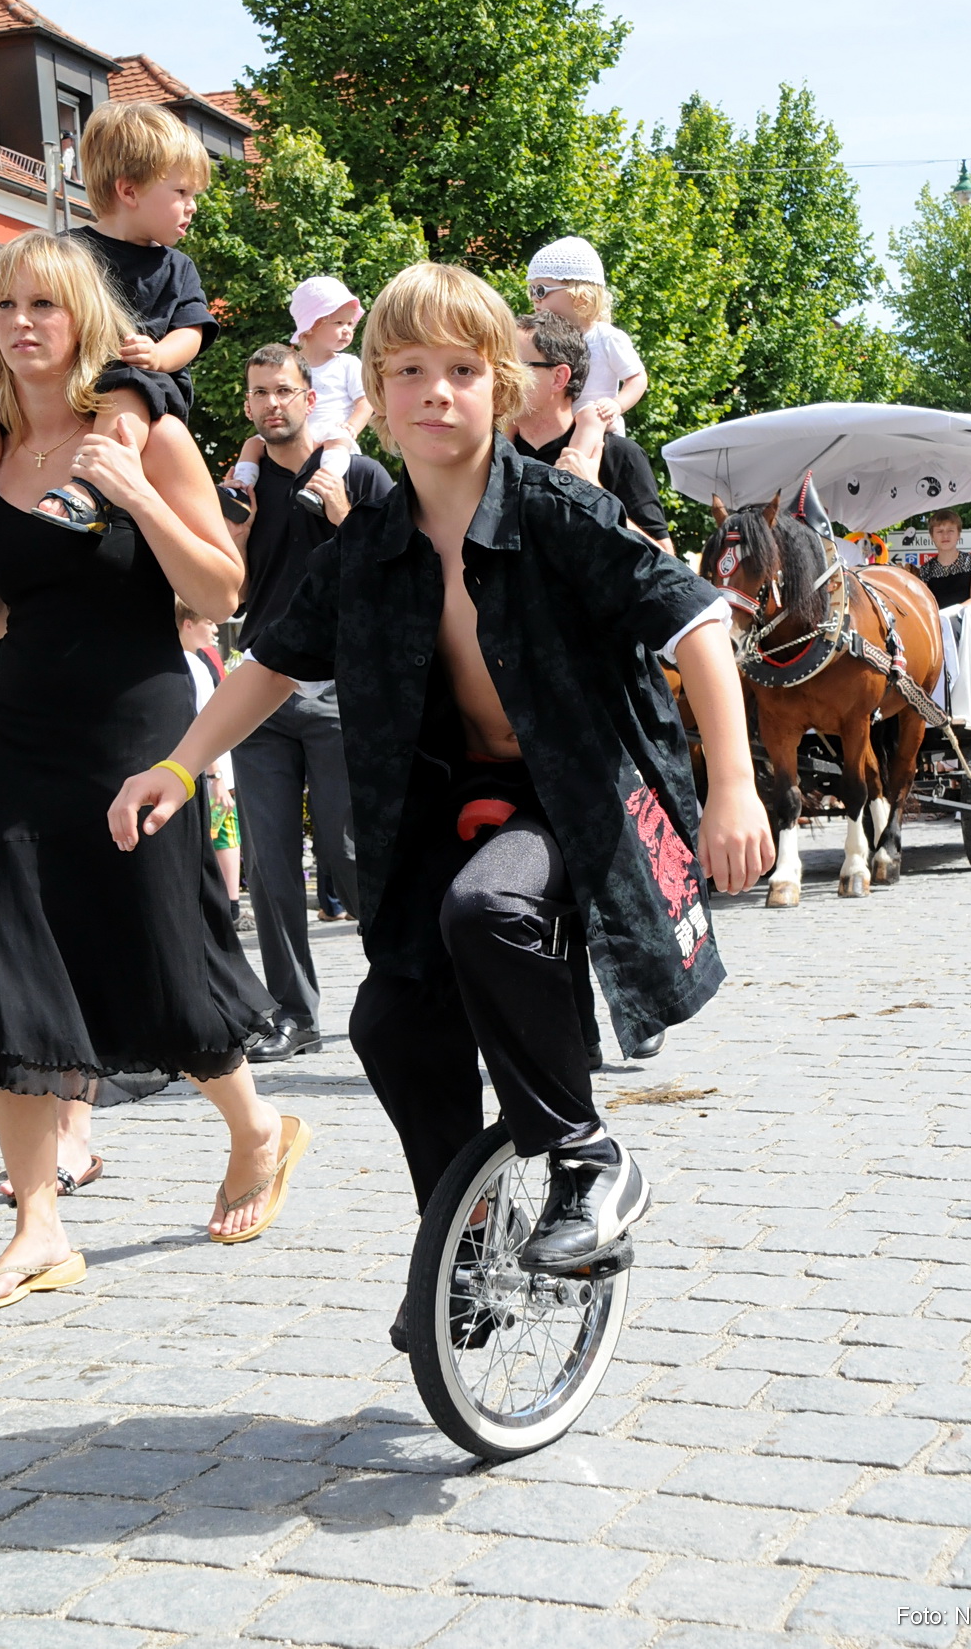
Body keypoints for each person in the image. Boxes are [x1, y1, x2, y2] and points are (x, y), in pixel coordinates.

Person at [109, 261, 774, 1351]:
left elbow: (695, 619)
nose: (437, 392)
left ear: (502, 386)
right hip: (439, 802)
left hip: (572, 795)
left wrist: (735, 785)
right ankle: (455, 1243)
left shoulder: (561, 510)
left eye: (463, 370)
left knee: (490, 910)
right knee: (383, 1021)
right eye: (410, 370)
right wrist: (178, 767)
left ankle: (584, 1157)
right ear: (374, 386)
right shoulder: (365, 544)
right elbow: (268, 663)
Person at [0, 231, 310, 1313]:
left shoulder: (140, 427)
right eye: (5, 305)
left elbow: (222, 592)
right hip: (13, 729)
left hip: (132, 731)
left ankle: (258, 1127)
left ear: (84, 317)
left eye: (45, 302)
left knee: (158, 956)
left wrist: (132, 491)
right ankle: (39, 1222)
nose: (24, 322)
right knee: (11, 971)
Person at [226, 342, 392, 1062]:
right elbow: (222, 593)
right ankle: (295, 1012)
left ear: (309, 398)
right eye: (259, 392)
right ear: (247, 405)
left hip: (338, 687)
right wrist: (229, 527)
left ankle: (407, 987)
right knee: (268, 865)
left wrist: (345, 515)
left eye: (283, 391)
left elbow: (399, 579)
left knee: (349, 853)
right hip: (258, 686)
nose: (271, 404)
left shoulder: (359, 473)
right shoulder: (240, 488)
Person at [3, 103, 216, 530]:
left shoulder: (177, 267)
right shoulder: (67, 253)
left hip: (142, 384)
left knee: (126, 385)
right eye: (181, 193)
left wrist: (157, 356)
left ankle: (89, 490)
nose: (191, 206)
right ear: (130, 191)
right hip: (72, 381)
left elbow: (191, 332)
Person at [513, 311, 673, 553]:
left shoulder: (618, 454)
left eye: (516, 367)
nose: (501, 378)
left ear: (559, 377)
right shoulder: (491, 457)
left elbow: (665, 560)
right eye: (497, 365)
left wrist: (594, 494)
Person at [226, 278, 371, 507]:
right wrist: (254, 406)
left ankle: (320, 488)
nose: (347, 331)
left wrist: (351, 427)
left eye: (350, 324)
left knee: (337, 444)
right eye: (339, 323)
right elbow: (267, 392)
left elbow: (365, 401)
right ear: (313, 325)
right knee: (251, 445)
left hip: (331, 430)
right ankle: (240, 491)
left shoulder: (347, 364)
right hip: (291, 434)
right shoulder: (289, 364)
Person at [525, 236, 648, 475]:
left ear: (579, 294)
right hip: (559, 417)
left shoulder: (605, 337)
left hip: (598, 417)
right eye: (531, 290)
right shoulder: (542, 337)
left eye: (541, 290)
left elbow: (637, 377)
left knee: (589, 414)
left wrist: (616, 404)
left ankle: (569, 472)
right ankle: (494, 468)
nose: (535, 299)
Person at [177, 601, 244, 921]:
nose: (216, 628)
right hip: (209, 772)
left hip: (202, 770)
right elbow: (203, 718)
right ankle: (228, 907)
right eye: (208, 622)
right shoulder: (192, 663)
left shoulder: (194, 661)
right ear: (188, 624)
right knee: (222, 837)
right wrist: (216, 778)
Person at [915, 509, 971, 609]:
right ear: (932, 536)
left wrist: (952, 612)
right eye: (940, 531)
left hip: (967, 622)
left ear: (959, 534)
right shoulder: (925, 570)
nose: (945, 536)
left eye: (950, 531)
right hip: (938, 623)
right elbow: (925, 605)